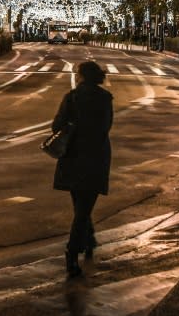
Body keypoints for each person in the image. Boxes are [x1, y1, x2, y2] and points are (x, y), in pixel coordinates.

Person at [51, 61, 113, 278]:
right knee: (84, 208)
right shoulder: (105, 98)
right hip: (96, 157)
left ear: (82, 76)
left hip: (73, 157)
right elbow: (106, 126)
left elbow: (56, 126)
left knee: (80, 206)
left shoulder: (72, 97)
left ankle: (74, 250)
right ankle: (83, 243)